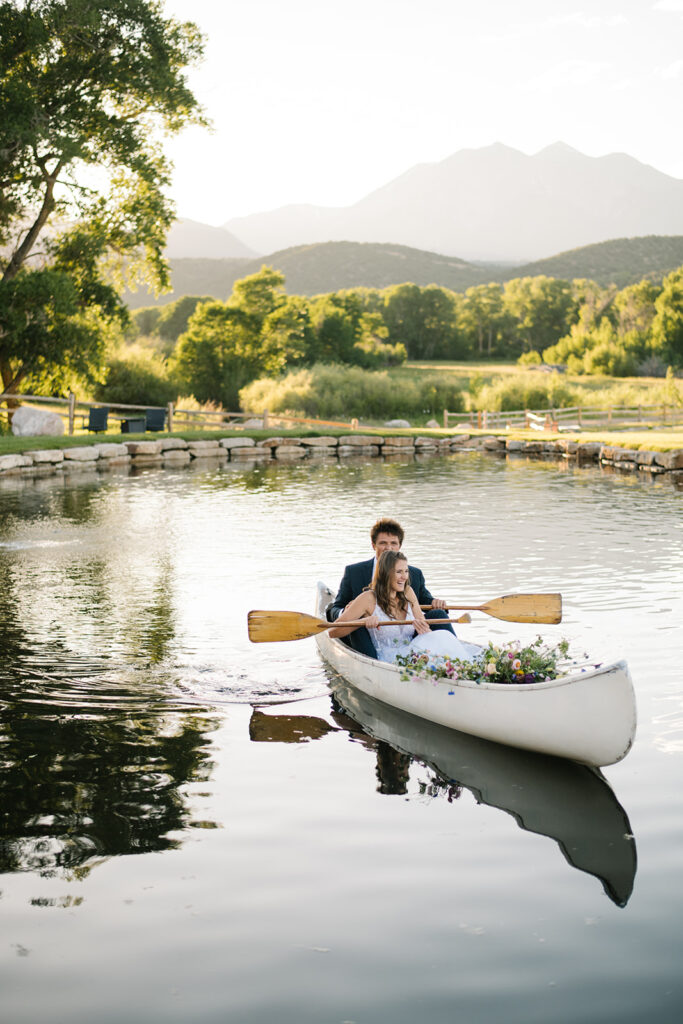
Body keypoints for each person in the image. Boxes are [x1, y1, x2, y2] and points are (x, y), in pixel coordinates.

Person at [327, 517, 453, 659]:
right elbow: (332, 626)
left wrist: (429, 627)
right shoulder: (358, 580)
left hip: (409, 646)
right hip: (372, 644)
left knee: (439, 618)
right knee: (360, 628)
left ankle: (455, 660)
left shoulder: (409, 587)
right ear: (374, 545)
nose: (404, 577)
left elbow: (424, 605)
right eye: (383, 543)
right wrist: (359, 619)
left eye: (393, 543)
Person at [329, 550, 480, 665]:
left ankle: (466, 667)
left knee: (442, 637)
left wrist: (425, 629)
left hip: (412, 649)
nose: (404, 577)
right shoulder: (368, 599)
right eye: (399, 572)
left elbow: (421, 622)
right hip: (388, 659)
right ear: (386, 574)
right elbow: (333, 632)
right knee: (441, 643)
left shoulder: (408, 592)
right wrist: (363, 621)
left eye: (406, 571)